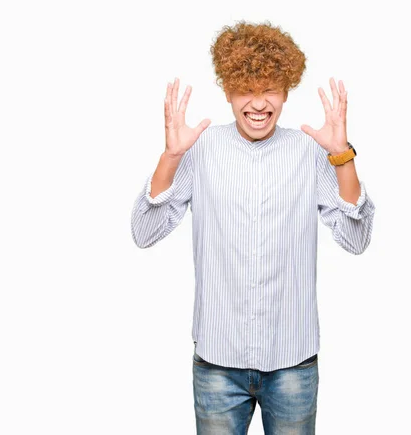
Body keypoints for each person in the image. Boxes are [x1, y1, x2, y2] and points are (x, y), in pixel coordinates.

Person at [131, 20, 376, 435]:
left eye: (271, 89)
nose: (258, 103)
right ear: (228, 90)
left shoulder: (309, 151)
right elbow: (144, 231)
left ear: (286, 91)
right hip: (217, 365)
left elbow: (356, 240)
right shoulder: (200, 149)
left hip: (292, 362)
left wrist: (342, 156)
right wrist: (171, 157)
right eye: (246, 88)